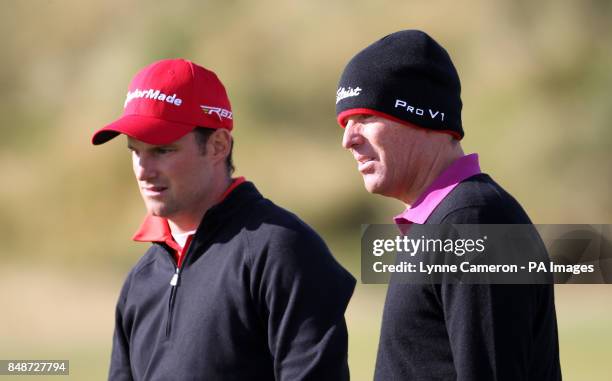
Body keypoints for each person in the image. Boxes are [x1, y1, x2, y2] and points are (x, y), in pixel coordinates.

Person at [92, 58, 355, 380]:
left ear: (218, 145)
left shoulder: (282, 250)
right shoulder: (140, 280)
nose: (143, 171)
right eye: (135, 151)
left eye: (162, 150)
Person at [336, 30, 562, 380]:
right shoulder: (448, 221)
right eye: (345, 122)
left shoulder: (474, 222)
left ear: (422, 115)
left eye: (364, 117)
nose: (348, 139)